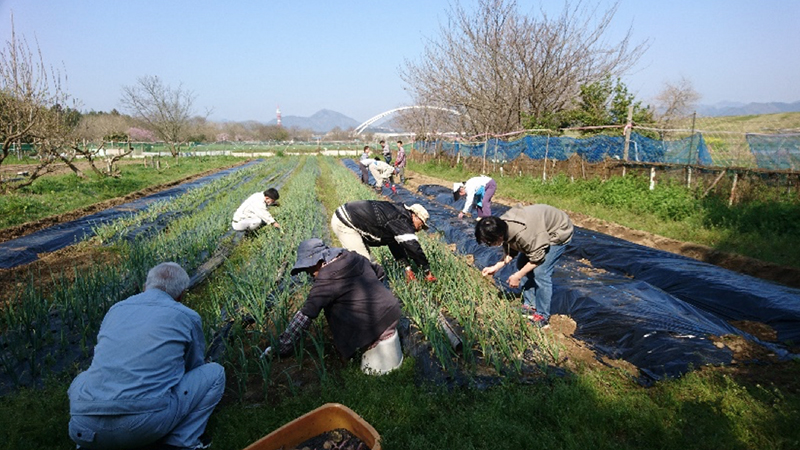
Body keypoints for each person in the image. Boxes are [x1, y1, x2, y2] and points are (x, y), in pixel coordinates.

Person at [68, 262, 225, 450]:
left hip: (83, 425)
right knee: (214, 373)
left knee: (84, 377)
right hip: (142, 426)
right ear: (181, 295)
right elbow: (194, 366)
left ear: (145, 286)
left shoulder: (116, 309)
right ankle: (181, 443)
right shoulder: (186, 315)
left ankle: (89, 445)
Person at [264, 238, 403, 371]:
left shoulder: (326, 279)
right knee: (347, 300)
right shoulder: (352, 256)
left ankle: (357, 354)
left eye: (309, 269)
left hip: (374, 326)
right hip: (392, 312)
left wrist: (282, 346)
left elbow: (305, 315)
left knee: (334, 310)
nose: (309, 273)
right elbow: (379, 272)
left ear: (317, 261)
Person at [474, 204, 574, 327]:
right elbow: (510, 252)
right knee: (522, 263)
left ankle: (543, 316)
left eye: (490, 242)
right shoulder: (501, 226)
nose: (490, 245)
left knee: (541, 272)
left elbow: (538, 258)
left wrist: (518, 275)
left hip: (558, 230)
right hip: (538, 228)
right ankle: (530, 305)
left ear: (499, 236)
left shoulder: (525, 235)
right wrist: (495, 267)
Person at [330, 200, 436, 282]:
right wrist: (427, 271)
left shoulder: (399, 214)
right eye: (421, 225)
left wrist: (407, 268)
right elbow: (413, 248)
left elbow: (395, 245)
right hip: (346, 222)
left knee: (371, 266)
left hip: (348, 218)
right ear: (415, 216)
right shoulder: (401, 220)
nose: (419, 229)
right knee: (364, 268)